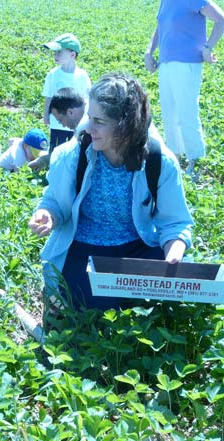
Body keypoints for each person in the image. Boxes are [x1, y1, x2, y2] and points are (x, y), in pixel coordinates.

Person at [29, 73, 193, 312]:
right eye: (89, 117)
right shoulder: (72, 154)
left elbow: (175, 221)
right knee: (97, 302)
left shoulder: (159, 160)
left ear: (125, 125)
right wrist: (48, 215)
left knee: (170, 291)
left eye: (100, 121)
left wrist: (174, 254)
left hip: (137, 245)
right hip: (84, 247)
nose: (88, 127)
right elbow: (54, 201)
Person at [144, 0, 224, 176]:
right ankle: (175, 159)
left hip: (187, 64)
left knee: (186, 114)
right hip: (165, 64)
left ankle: (195, 161)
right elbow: (160, 28)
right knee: (169, 115)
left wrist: (208, 47)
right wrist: (149, 52)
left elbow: (222, 20)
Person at [42, 33, 92, 152]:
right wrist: (46, 115)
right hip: (56, 120)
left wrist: (87, 118)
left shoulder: (82, 76)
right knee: (55, 148)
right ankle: (53, 168)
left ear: (72, 54)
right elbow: (49, 97)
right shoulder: (53, 74)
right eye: (54, 52)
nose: (55, 55)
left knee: (74, 150)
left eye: (59, 52)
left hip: (76, 122)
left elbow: (87, 99)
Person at [28, 88, 86, 172]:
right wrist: (45, 160)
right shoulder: (81, 125)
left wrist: (45, 160)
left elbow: (72, 153)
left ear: (70, 112)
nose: (63, 125)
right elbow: (70, 149)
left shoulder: (87, 127)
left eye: (61, 120)